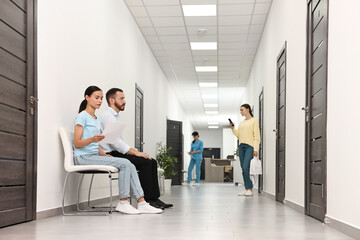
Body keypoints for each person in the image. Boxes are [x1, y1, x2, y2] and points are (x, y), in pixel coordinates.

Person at [73, 86, 162, 214]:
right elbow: (77, 143)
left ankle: (142, 202)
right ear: (87, 98)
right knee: (125, 163)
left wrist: (104, 155)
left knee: (129, 165)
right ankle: (123, 202)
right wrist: (93, 139)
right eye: (96, 98)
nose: (99, 101)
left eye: (101, 98)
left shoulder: (95, 118)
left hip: (94, 155)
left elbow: (96, 144)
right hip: (83, 157)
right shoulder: (82, 117)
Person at [99, 88, 173, 210]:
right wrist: (136, 153)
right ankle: (148, 200)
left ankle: (154, 198)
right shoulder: (107, 116)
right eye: (121, 98)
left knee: (151, 161)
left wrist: (135, 152)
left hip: (116, 152)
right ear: (112, 100)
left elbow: (119, 142)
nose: (124, 101)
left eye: (124, 98)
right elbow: (115, 142)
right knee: (145, 162)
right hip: (110, 154)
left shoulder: (114, 117)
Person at [230, 104, 260, 197]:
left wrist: (255, 149)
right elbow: (239, 135)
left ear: (248, 110)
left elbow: (257, 136)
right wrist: (233, 128)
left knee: (246, 167)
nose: (241, 112)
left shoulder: (254, 121)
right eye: (240, 110)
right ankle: (247, 188)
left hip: (249, 147)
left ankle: (249, 188)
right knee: (243, 169)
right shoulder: (242, 123)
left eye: (242, 110)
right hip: (241, 147)